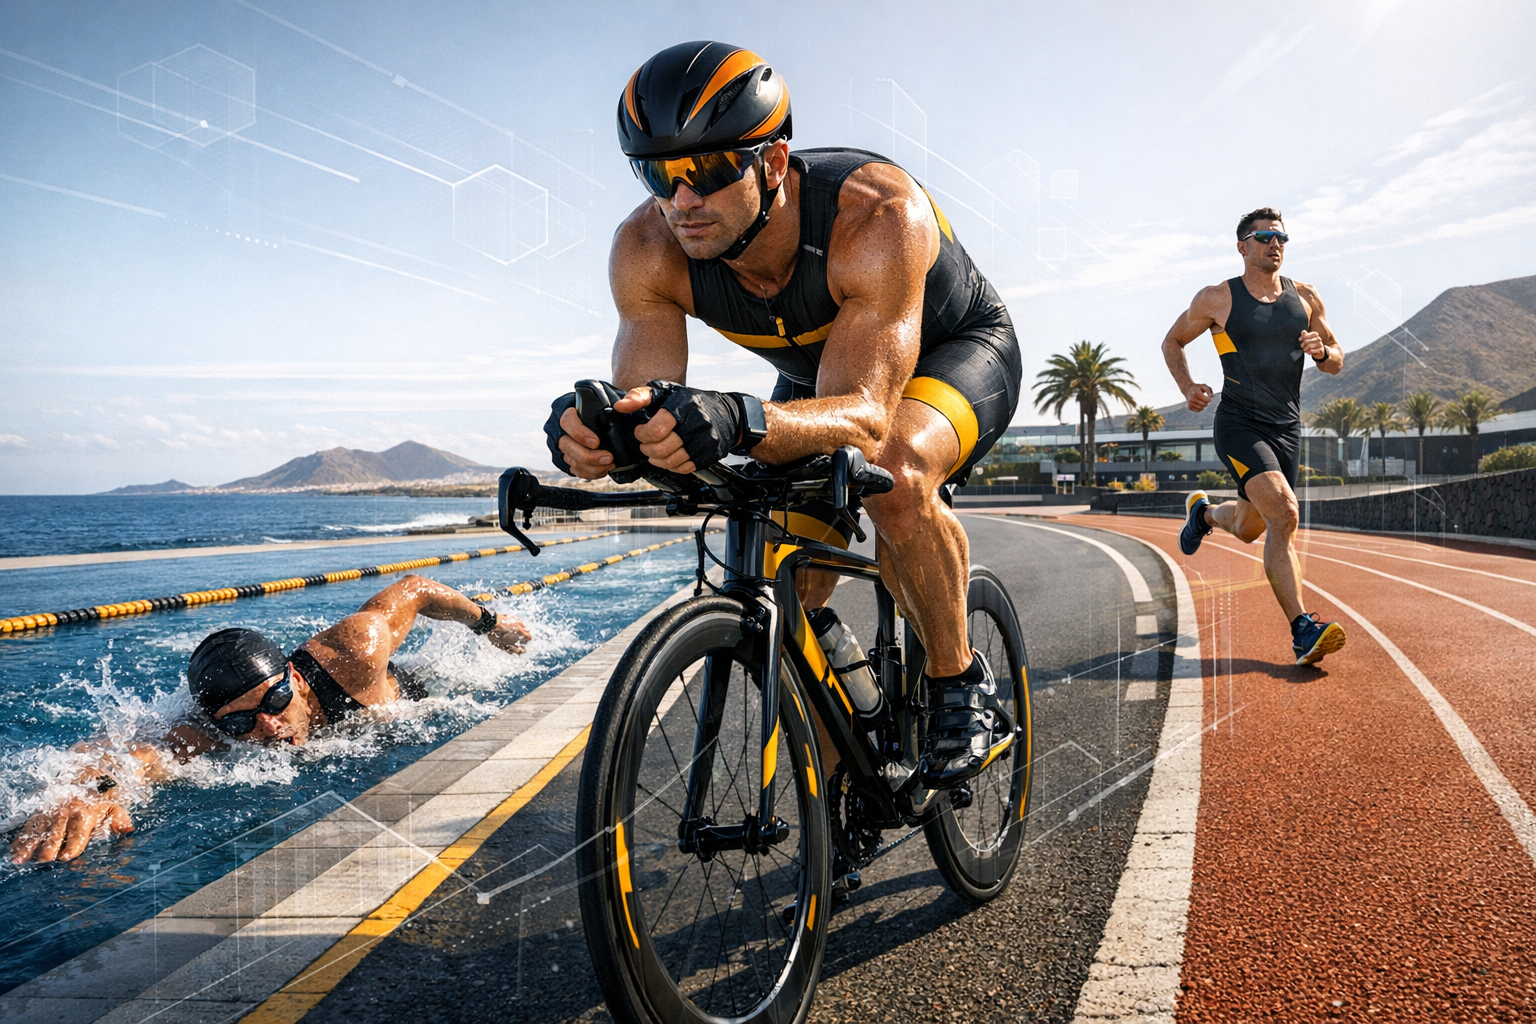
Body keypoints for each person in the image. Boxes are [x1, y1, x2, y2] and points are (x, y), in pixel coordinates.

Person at [544, 41, 1023, 787]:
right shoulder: (645, 248)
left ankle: (958, 680)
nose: (681, 201)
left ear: (771, 164)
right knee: (783, 586)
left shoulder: (875, 212)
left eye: (705, 171)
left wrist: (738, 418)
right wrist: (603, 438)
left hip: (950, 352)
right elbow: (646, 402)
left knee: (893, 472)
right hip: (823, 375)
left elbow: (865, 419)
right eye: (657, 175)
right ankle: (847, 779)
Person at [9, 576, 530, 864]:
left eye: (275, 701)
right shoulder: (209, 729)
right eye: (240, 724)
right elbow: (132, 751)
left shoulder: (354, 652)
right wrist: (93, 788)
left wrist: (489, 624)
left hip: (415, 693)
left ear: (296, 680)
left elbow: (416, 590)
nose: (270, 729)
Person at [1161, 206, 1347, 666]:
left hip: (1287, 429)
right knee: (1284, 514)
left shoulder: (1305, 296)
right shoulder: (1217, 298)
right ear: (1243, 246)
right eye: (1264, 237)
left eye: (1281, 237)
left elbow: (1337, 358)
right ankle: (1302, 629)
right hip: (1240, 424)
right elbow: (1172, 341)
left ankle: (1203, 515)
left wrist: (1322, 351)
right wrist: (1188, 387)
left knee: (1249, 528)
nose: (1275, 244)